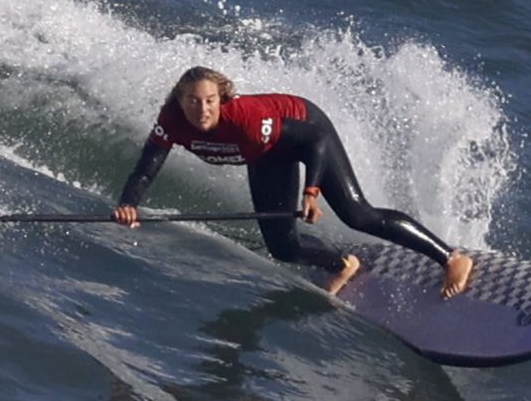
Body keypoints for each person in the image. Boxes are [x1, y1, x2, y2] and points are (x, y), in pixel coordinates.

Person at [113, 66, 474, 298]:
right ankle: (344, 265)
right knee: (282, 247)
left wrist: (311, 192)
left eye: (209, 101)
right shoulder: (172, 120)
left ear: (221, 100)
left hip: (306, 129)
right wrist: (128, 204)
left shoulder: (246, 120)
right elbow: (147, 167)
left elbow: (313, 140)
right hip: (265, 153)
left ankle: (450, 257)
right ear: (180, 100)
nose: (202, 110)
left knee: (356, 214)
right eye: (193, 101)